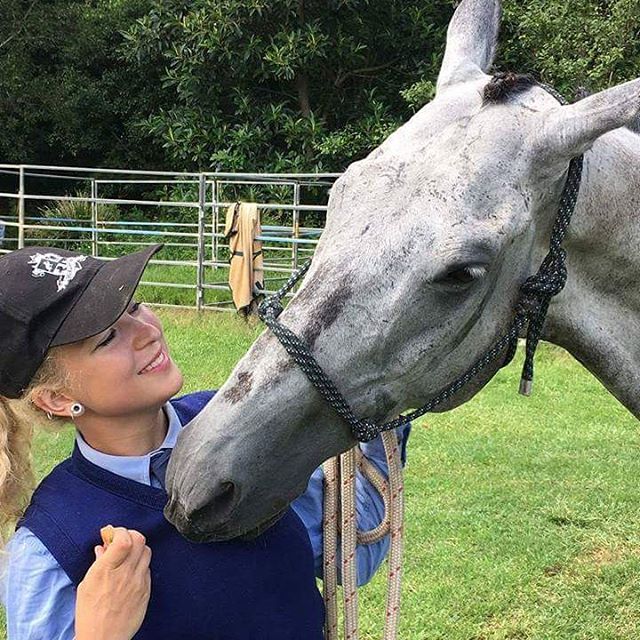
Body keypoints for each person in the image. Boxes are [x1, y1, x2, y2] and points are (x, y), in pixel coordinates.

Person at [0, 244, 410, 640]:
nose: (145, 331)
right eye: (107, 337)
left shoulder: (247, 424)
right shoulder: (50, 546)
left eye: (135, 306)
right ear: (57, 398)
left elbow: (349, 558)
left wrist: (383, 400)